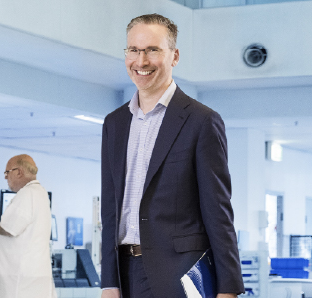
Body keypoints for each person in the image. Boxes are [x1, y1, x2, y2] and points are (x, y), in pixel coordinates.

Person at [99, 14, 243, 298]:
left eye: (153, 50)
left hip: (182, 276)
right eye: (134, 50)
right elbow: (110, 209)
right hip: (125, 274)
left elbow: (218, 211)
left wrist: (229, 289)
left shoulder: (201, 121)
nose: (141, 61)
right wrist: (108, 282)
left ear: (174, 56)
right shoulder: (114, 124)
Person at [0, 154, 55, 298]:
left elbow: (8, 229)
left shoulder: (26, 194)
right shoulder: (41, 193)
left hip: (21, 282)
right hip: (35, 278)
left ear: (19, 172)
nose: (5, 177)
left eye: (7, 172)